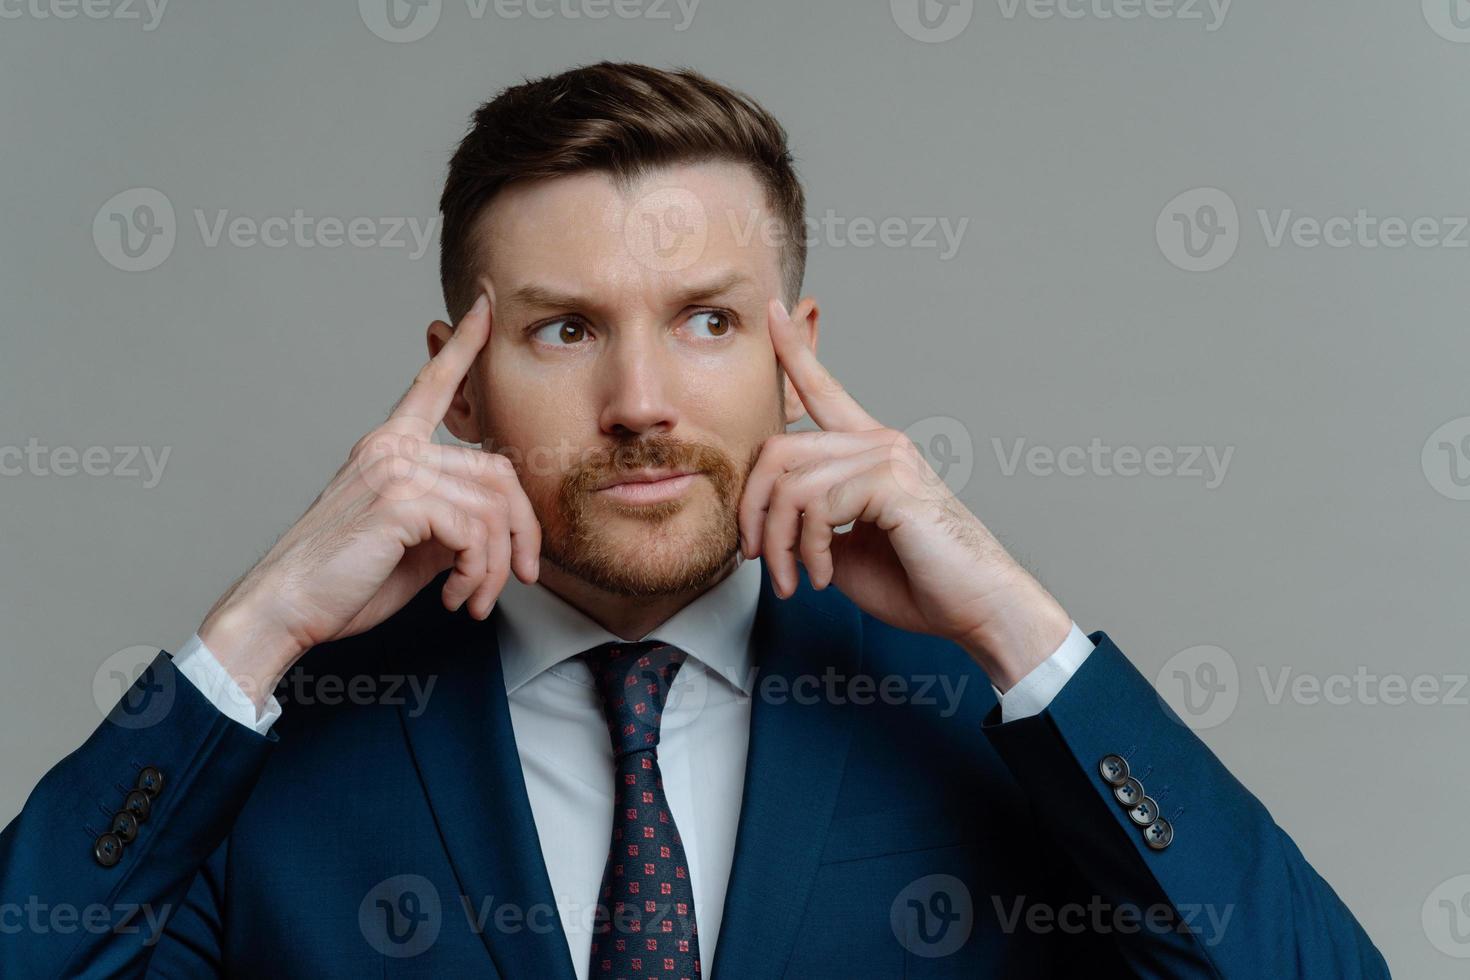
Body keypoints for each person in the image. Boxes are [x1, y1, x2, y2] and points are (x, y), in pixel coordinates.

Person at [0, 61, 1389, 978]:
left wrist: (1022, 630)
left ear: (797, 351)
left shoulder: (991, 728)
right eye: (561, 330)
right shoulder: (276, 757)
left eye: (706, 320)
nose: (641, 400)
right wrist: (255, 633)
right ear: (462, 382)